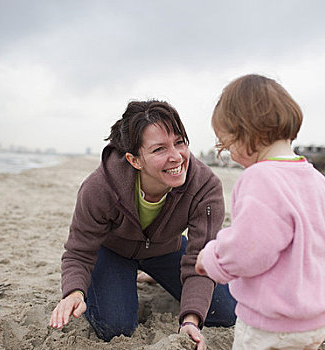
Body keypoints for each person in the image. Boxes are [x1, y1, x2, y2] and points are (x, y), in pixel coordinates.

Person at [49, 99, 236, 349]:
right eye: (159, 149)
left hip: (166, 249)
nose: (176, 157)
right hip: (113, 252)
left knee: (226, 314)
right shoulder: (99, 187)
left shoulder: (205, 187)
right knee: (115, 328)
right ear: (135, 160)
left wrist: (191, 320)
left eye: (179, 143)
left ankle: (154, 275)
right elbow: (79, 252)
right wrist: (74, 292)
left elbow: (200, 258)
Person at [195, 74, 325, 350]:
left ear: (245, 131)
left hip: (273, 323)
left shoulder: (261, 177)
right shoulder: (314, 177)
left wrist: (212, 259)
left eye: (227, 145)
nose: (230, 154)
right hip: (317, 318)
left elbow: (249, 249)